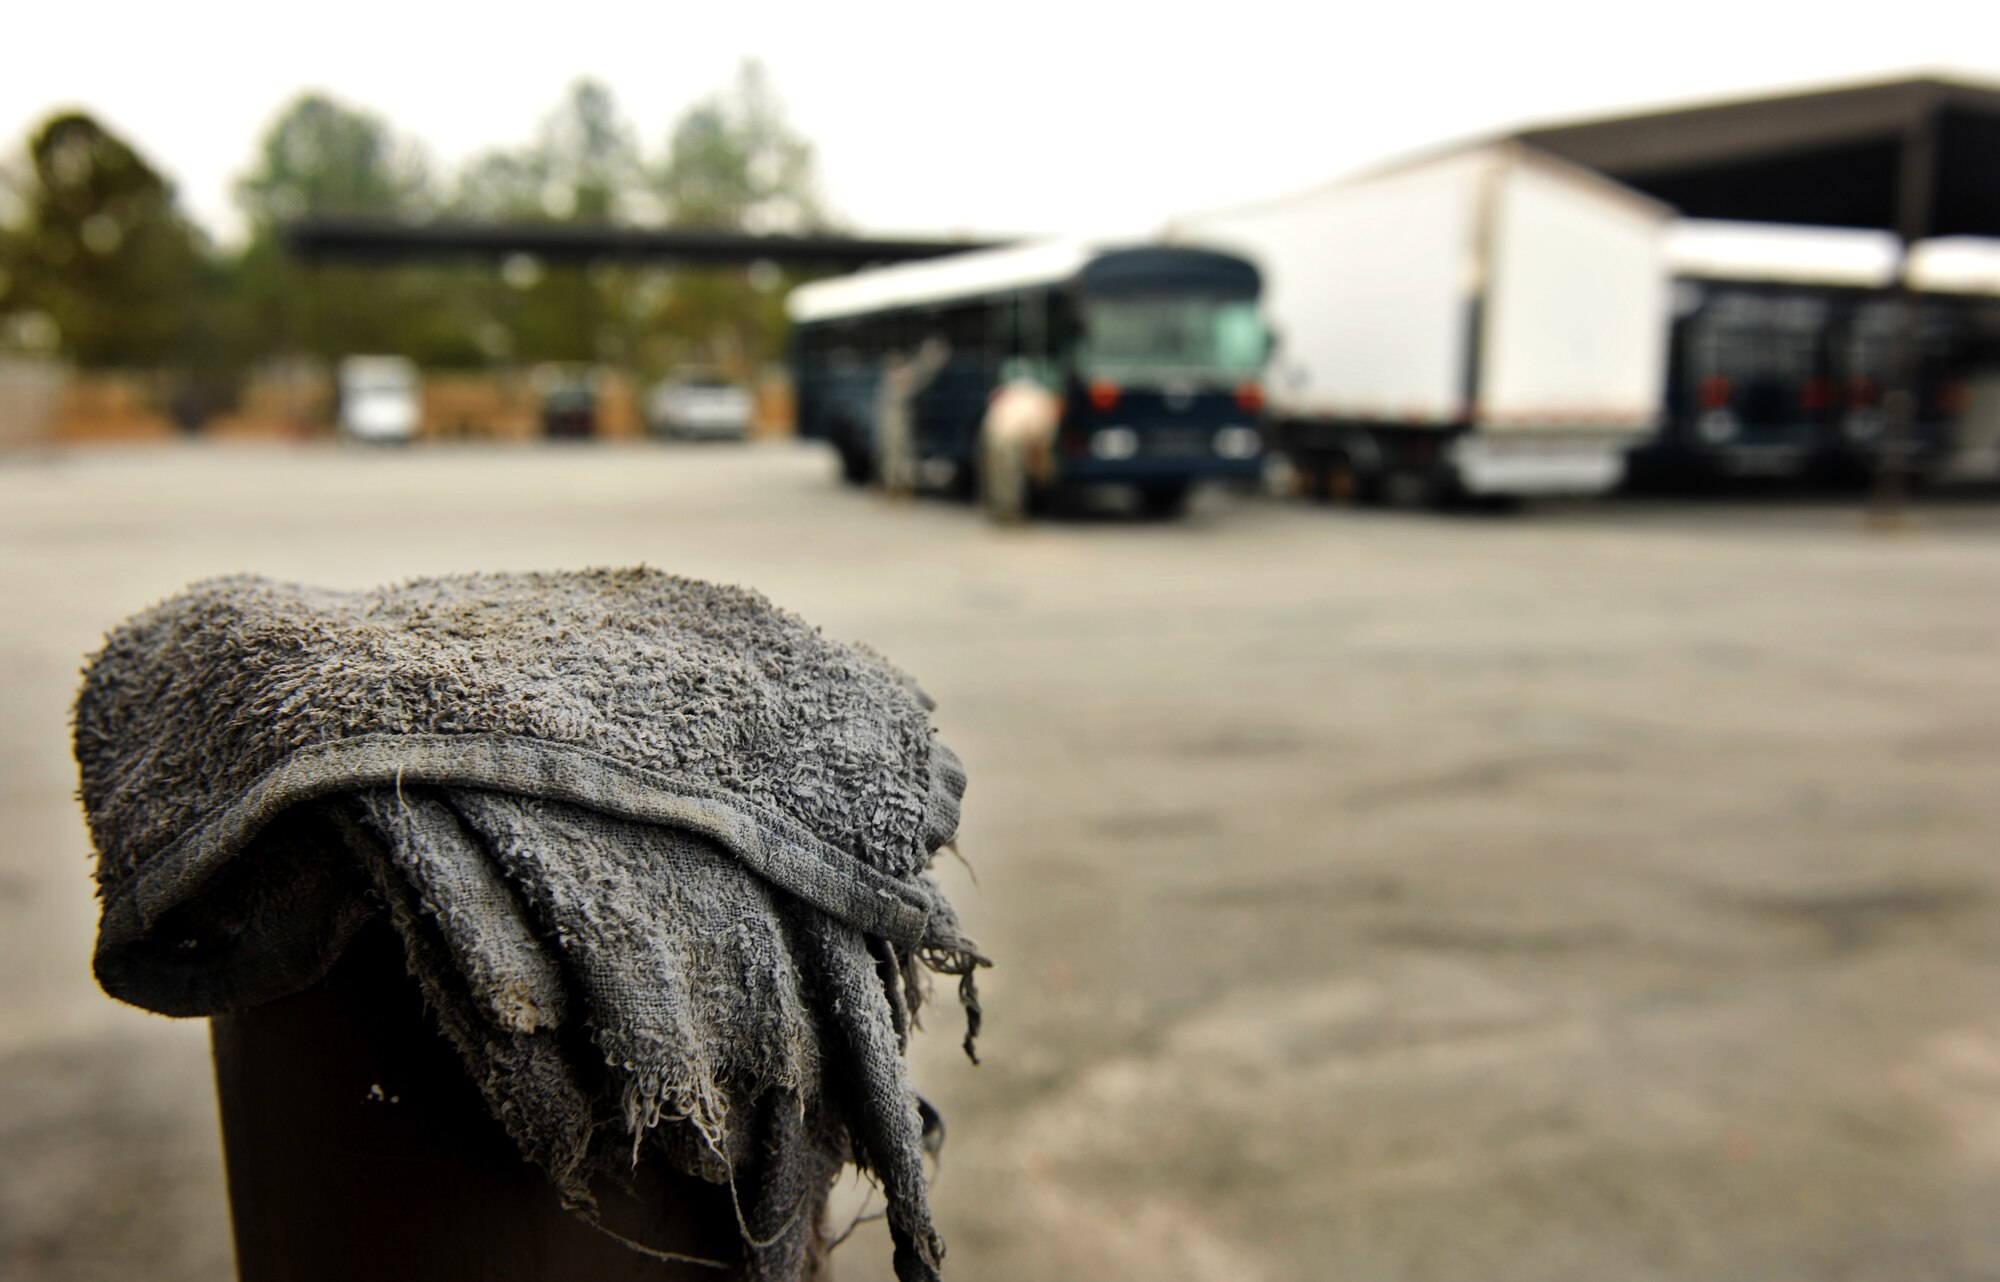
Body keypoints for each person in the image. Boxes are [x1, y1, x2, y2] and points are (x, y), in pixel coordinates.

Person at [978, 360, 1061, 523]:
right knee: (1011, 478)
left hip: (990, 429)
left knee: (995, 475)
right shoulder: (1047, 408)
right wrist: (1043, 473)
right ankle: (1010, 516)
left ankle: (996, 511)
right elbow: (1037, 445)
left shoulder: (1030, 391)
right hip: (1009, 436)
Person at [873, 338, 949, 499]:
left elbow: (922, 374)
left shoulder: (897, 375)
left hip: (898, 422)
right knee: (896, 457)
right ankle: (895, 489)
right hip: (895, 423)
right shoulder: (897, 376)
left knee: (901, 456)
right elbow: (921, 375)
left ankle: (901, 489)